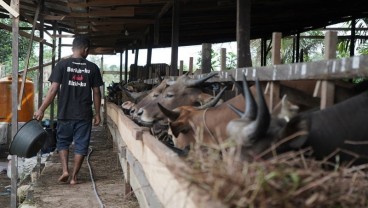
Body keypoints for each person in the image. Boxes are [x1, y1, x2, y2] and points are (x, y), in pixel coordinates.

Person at [34, 36, 103, 185]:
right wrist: (98, 113)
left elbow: (53, 89)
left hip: (65, 113)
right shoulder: (92, 67)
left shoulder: (62, 65)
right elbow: (97, 92)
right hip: (84, 114)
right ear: (86, 50)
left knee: (63, 142)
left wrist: (41, 109)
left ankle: (65, 170)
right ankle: (74, 177)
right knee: (81, 144)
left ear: (73, 48)